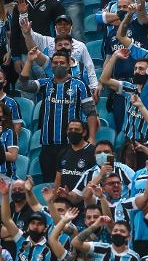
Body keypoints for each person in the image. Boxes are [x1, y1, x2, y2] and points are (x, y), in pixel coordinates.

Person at [17, 47, 98, 182]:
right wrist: (29, 62)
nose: (58, 65)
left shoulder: (80, 85)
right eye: (55, 63)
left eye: (62, 63)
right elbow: (22, 85)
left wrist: (92, 137)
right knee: (48, 184)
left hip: (70, 145)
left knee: (67, 184)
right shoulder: (45, 83)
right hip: (47, 145)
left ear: (69, 65)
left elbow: (91, 112)